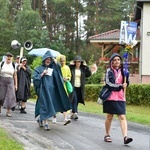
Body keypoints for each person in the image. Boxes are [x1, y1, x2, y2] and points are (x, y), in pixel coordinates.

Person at [33, 51, 71, 131]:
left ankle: (41, 119)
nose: (48, 61)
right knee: (45, 105)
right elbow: (35, 79)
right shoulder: (39, 68)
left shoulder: (52, 69)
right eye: (47, 59)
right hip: (43, 91)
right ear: (44, 60)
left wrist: (56, 62)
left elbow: (58, 72)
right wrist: (42, 74)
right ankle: (46, 123)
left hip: (51, 92)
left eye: (50, 59)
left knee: (49, 106)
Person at [103, 53, 133, 144]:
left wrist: (126, 83)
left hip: (120, 97)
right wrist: (120, 86)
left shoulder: (124, 71)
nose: (116, 61)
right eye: (115, 60)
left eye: (118, 60)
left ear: (120, 61)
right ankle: (107, 134)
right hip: (110, 97)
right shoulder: (109, 71)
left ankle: (125, 137)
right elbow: (109, 84)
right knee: (109, 116)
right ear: (111, 61)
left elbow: (127, 83)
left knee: (122, 116)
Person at [69, 55, 92, 120]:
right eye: (77, 62)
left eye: (79, 62)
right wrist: (70, 64)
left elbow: (89, 74)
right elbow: (67, 71)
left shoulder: (82, 69)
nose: (78, 63)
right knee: (74, 98)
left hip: (80, 87)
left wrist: (86, 66)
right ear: (75, 62)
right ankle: (75, 112)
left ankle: (73, 113)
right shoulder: (72, 69)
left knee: (77, 100)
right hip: (73, 86)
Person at [52, 55, 72, 125]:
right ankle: (54, 117)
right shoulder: (56, 67)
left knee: (64, 101)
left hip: (64, 87)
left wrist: (67, 78)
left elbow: (70, 76)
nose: (62, 62)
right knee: (55, 101)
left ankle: (65, 118)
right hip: (56, 87)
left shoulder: (67, 68)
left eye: (63, 61)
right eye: (61, 61)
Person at [0, 52, 17, 117]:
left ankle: (8, 111)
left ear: (12, 58)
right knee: (1, 96)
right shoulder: (1, 64)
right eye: (8, 56)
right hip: (2, 80)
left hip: (10, 81)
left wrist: (16, 85)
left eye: (10, 56)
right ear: (5, 57)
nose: (9, 58)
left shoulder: (13, 65)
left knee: (10, 96)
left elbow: (15, 75)